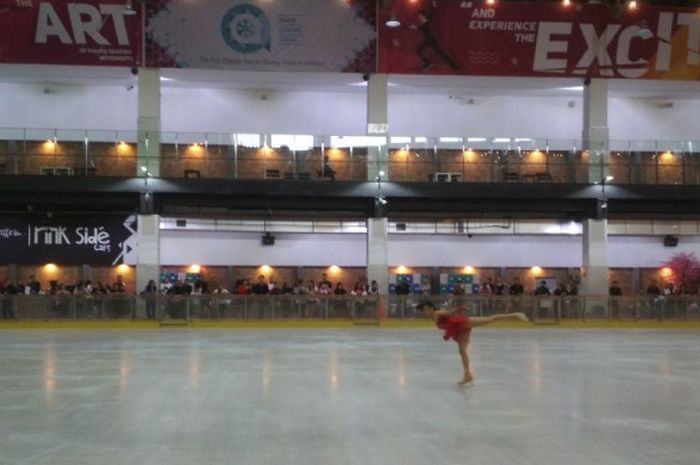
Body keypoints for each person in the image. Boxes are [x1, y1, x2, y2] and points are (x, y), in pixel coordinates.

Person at [417, 301, 528, 385]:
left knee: (489, 319)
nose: (425, 312)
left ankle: (514, 314)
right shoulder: (433, 317)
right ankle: (467, 375)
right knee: (462, 351)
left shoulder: (437, 313)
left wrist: (458, 309)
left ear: (432, 308)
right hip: (460, 331)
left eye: (427, 309)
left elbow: (448, 312)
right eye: (423, 310)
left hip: (463, 323)